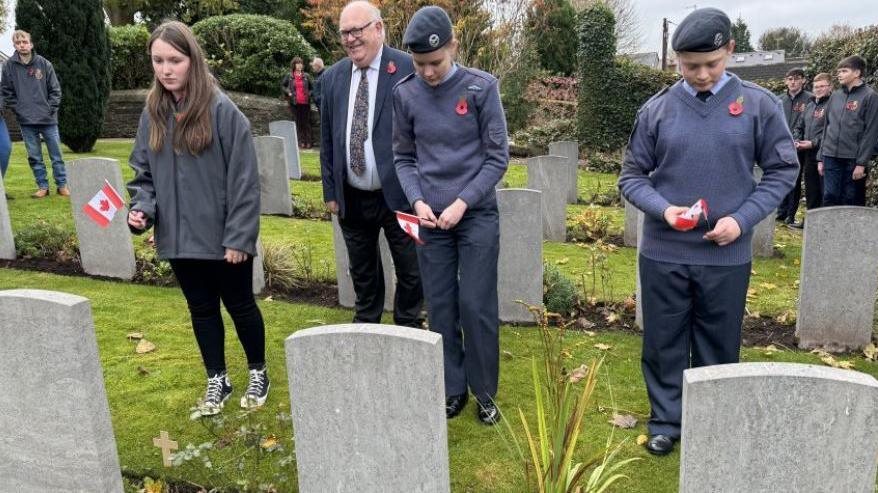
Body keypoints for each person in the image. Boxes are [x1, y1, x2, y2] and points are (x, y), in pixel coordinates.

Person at [618, 7, 798, 456]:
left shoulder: (759, 105)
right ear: (676, 60)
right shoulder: (656, 110)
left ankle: (714, 419)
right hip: (664, 251)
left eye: (711, 64)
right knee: (663, 340)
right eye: (689, 65)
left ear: (730, 51)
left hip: (727, 254)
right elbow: (632, 176)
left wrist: (741, 219)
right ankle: (666, 420)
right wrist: (663, 210)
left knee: (719, 341)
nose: (700, 74)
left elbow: (781, 171)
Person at [127, 21, 269, 416]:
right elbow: (143, 173)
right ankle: (217, 378)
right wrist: (142, 209)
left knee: (240, 306)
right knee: (202, 310)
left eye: (175, 60)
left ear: (192, 60)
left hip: (224, 239)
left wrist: (239, 238)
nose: (166, 69)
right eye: (158, 60)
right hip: (179, 236)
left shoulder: (223, 112)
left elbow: (244, 181)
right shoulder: (153, 113)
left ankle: (259, 370)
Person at [394, 5, 509, 425]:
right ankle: (452, 386)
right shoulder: (404, 93)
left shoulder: (481, 88)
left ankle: (484, 392)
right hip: (430, 219)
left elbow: (497, 159)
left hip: (475, 214)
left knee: (475, 303)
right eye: (420, 64)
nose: (428, 72)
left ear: (453, 47)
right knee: (441, 306)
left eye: (435, 62)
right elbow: (403, 157)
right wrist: (418, 200)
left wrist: (462, 202)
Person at [320, 1, 423, 328]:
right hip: (352, 196)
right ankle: (368, 326)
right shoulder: (333, 77)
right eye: (344, 33)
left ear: (378, 29)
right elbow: (327, 139)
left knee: (412, 270)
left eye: (357, 31)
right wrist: (330, 191)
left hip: (401, 197)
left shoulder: (408, 68)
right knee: (363, 272)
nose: (350, 39)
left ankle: (407, 327)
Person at [1, 30, 68, 199]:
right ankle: (42, 187)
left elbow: (55, 91)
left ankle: (62, 185)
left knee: (56, 155)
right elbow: (6, 92)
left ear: (31, 44)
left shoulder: (44, 64)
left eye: (24, 42)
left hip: (48, 120)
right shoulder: (9, 66)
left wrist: (49, 109)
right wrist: (20, 109)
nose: (22, 45)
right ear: (15, 45)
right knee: (34, 156)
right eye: (18, 43)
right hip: (26, 121)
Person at [818, 55, 878, 207]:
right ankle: (829, 231)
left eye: (844, 71)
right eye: (839, 71)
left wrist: (861, 163)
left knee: (850, 199)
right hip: (830, 155)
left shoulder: (870, 96)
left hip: (853, 158)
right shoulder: (835, 96)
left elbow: (871, 132)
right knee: (829, 196)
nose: (839, 74)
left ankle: (849, 231)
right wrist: (820, 157)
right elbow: (826, 126)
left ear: (857, 73)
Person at [793, 72, 832, 218]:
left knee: (825, 191)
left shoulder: (832, 104)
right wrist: (797, 139)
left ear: (830, 87)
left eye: (822, 86)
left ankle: (823, 222)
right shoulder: (809, 106)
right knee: (811, 190)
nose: (819, 89)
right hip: (808, 155)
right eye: (816, 87)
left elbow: (831, 130)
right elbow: (799, 126)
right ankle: (811, 220)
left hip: (824, 154)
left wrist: (814, 143)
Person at [777, 68, 812, 227]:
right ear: (785, 81)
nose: (792, 82)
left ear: (803, 80)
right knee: (780, 179)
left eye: (796, 79)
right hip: (780, 145)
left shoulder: (810, 99)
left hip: (800, 147)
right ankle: (780, 211)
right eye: (790, 79)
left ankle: (790, 214)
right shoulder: (779, 100)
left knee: (795, 181)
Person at [281, 57, 314, 148]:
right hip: (294, 103)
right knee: (298, 123)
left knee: (306, 123)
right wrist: (288, 92)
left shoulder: (306, 76)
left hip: (305, 103)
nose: (300, 65)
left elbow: (312, 88)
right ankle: (301, 142)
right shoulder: (290, 76)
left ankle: (309, 142)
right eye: (298, 63)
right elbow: (283, 86)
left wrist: (309, 94)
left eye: (301, 63)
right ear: (294, 65)